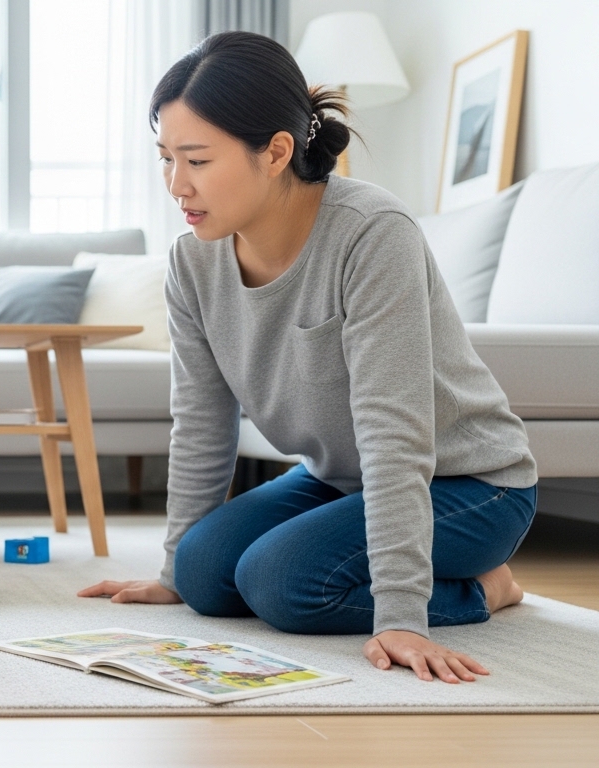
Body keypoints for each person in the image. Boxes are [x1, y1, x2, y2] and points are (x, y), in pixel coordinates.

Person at [78, 31, 537, 684]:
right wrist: (171, 569)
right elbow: (203, 419)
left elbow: (395, 428)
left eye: (198, 160)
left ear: (276, 153)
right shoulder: (191, 261)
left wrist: (403, 612)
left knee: (282, 584)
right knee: (204, 575)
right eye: (166, 158)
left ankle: (484, 588)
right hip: (340, 476)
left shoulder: (372, 235)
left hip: (471, 482)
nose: (176, 184)